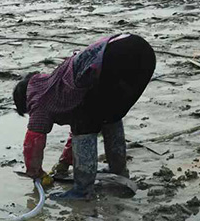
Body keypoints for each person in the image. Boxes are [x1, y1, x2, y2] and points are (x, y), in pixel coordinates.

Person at [13, 33, 155, 200]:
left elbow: (33, 141)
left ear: (26, 101)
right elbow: (75, 134)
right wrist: (64, 163)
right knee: (109, 116)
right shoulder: (58, 85)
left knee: (86, 122)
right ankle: (118, 171)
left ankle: (82, 190)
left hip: (115, 58)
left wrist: (35, 172)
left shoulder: (38, 97)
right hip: (142, 52)